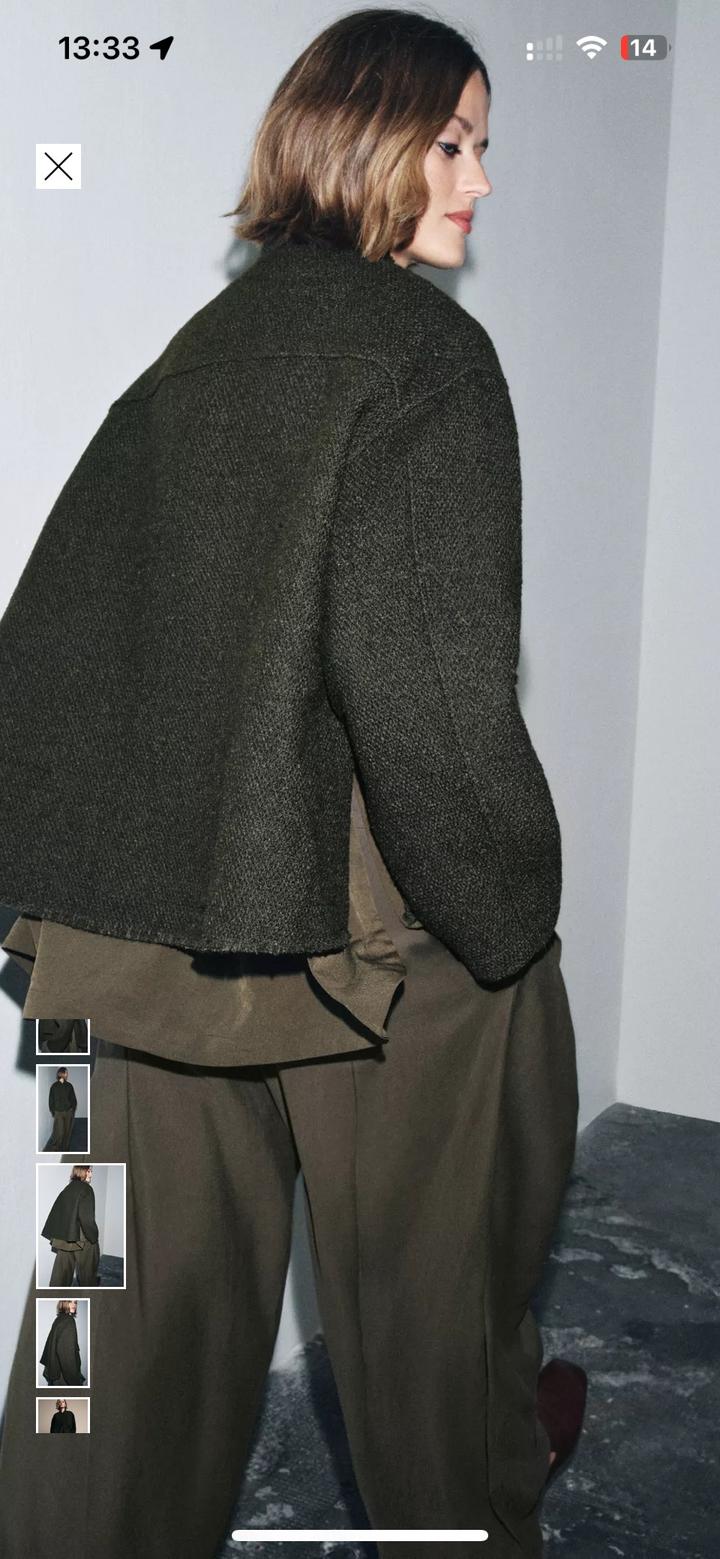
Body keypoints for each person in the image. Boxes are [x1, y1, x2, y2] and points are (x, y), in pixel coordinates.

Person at [0, 10, 586, 1557]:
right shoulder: (427, 355)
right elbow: (430, 700)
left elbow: (58, 638)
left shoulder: (194, 355)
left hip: (139, 922)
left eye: (483, 147)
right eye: (452, 141)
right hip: (374, 926)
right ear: (360, 137)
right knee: (437, 1324)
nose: (478, 181)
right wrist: (513, 917)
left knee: (100, 1321)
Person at [39, 1166, 100, 1288]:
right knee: (88, 1272)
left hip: (66, 1236)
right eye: (89, 1171)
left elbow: (59, 1214)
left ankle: (54, 1293)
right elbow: (87, 1220)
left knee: (61, 1273)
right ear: (82, 1172)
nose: (91, 1175)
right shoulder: (87, 1189)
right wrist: (94, 1237)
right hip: (83, 1237)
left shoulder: (67, 1188)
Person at [39, 1300, 85, 1387]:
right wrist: (75, 1382)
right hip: (64, 1376)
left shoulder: (58, 1319)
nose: (74, 1305)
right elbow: (66, 1355)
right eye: (70, 1301)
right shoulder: (69, 1321)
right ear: (63, 1303)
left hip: (55, 1371)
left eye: (75, 1302)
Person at [43, 1067, 78, 1152]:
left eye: (66, 1073)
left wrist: (72, 1110)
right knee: (58, 1132)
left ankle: (65, 1148)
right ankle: (55, 1148)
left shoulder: (69, 1086)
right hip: (58, 1112)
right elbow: (51, 1100)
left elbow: (73, 1099)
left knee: (67, 1131)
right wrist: (53, 1112)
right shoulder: (54, 1086)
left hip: (68, 1112)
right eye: (66, 1073)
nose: (67, 1074)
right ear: (60, 1074)